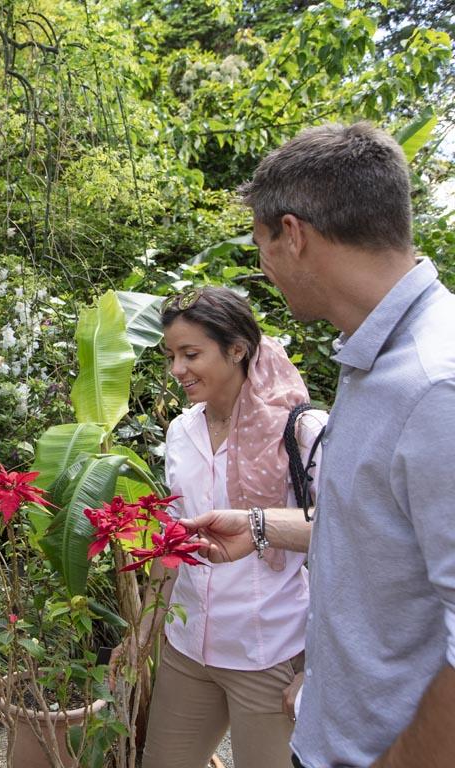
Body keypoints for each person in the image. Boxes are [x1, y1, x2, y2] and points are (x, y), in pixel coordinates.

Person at [181, 122, 455, 768]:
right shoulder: (374, 359)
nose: (263, 266)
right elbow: (386, 533)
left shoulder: (434, 384)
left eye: (261, 243)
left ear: (294, 235)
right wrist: (259, 525)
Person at [140, 287, 326, 768]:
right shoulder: (182, 431)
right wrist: (144, 632)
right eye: (171, 356)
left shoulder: (301, 431)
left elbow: (348, 533)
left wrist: (322, 669)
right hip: (188, 649)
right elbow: (173, 539)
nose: (176, 369)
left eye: (190, 353)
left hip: (269, 651)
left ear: (237, 349)